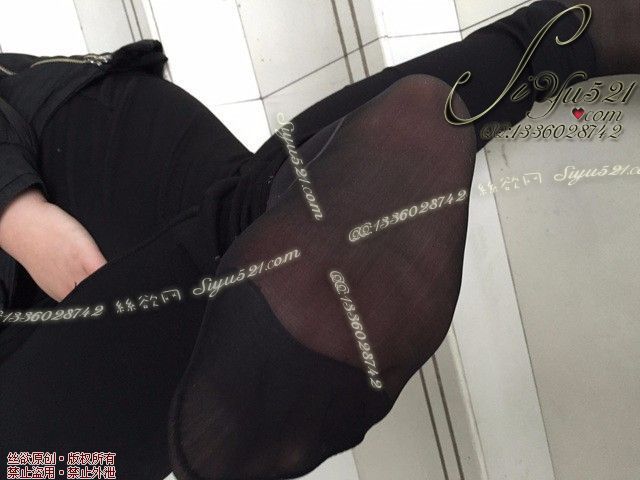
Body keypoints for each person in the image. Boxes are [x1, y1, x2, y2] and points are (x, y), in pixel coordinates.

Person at [0, 1, 636, 479]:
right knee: (255, 240)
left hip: (59, 155)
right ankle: (569, 35)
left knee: (244, 239)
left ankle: (562, 40)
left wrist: (17, 215)